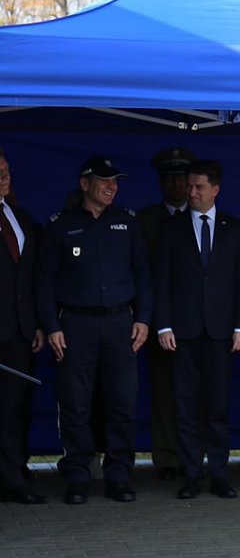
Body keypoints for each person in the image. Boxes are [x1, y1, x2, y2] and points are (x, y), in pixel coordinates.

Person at [39, 156, 152, 504]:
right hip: (76, 325)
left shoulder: (127, 223)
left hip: (120, 323)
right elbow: (44, 280)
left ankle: (118, 474)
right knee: (75, 403)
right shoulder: (61, 224)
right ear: (84, 183)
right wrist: (52, 325)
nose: (111, 186)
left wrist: (143, 318)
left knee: (121, 402)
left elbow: (143, 274)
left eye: (115, 181)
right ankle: (77, 474)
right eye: (104, 180)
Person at [153, 159, 240, 499]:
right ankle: (192, 474)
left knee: (218, 406)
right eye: (189, 186)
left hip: (222, 331)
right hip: (183, 331)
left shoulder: (235, 228)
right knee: (186, 405)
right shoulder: (172, 227)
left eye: (198, 187)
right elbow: (161, 280)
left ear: (215, 190)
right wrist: (163, 324)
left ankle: (219, 473)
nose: (191, 192)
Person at [138, 146, 195, 482]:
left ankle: (195, 455)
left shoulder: (207, 217)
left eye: (181, 177)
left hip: (202, 321)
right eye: (169, 177)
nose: (175, 184)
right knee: (164, 391)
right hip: (162, 320)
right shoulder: (145, 221)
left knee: (198, 393)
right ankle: (167, 457)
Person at [0, 149, 45, 504]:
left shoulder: (19, 217)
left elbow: (31, 277)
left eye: (6, 170)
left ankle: (13, 476)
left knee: (14, 408)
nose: (4, 176)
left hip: (19, 330)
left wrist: (37, 323)